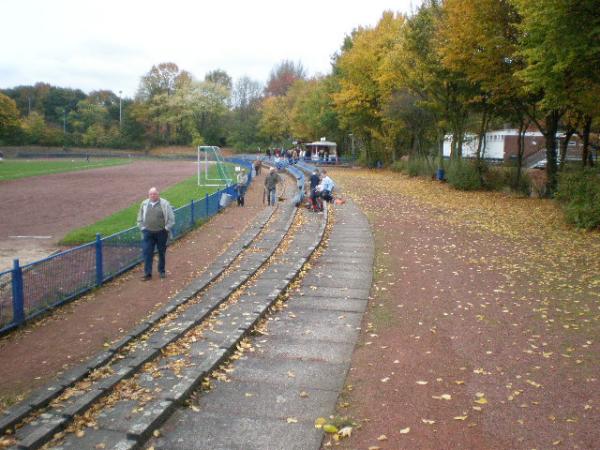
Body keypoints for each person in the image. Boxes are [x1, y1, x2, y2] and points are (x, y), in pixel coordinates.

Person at [137, 187, 175, 280]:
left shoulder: (165, 204)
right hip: (148, 233)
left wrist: (166, 228)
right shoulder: (144, 204)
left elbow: (171, 219)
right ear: (148, 195)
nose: (152, 196)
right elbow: (140, 217)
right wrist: (142, 227)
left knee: (161, 252)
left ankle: (161, 271)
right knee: (147, 253)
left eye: (154, 194)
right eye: (151, 194)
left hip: (161, 233)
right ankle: (148, 274)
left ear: (158, 194)